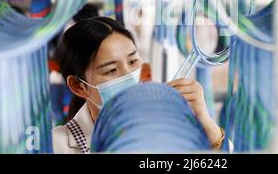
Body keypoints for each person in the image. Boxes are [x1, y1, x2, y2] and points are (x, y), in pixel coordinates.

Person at [52, 17, 228, 153]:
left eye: (133, 61)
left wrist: (207, 126)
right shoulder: (55, 146)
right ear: (78, 86)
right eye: (111, 70)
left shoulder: (171, 130)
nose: (130, 76)